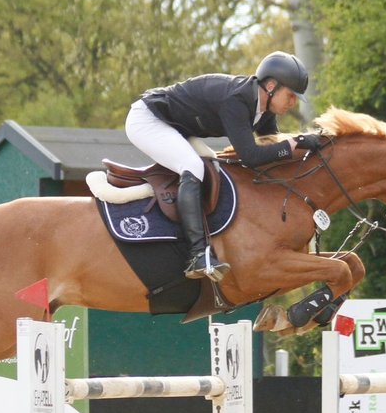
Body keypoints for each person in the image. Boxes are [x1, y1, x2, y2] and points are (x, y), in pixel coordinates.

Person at [125, 51, 325, 282]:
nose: (293, 103)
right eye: (291, 95)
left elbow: (274, 149)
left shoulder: (263, 110)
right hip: (148, 120)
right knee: (193, 167)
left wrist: (305, 145)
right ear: (271, 86)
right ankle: (198, 255)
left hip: (175, 127)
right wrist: (295, 143)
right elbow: (250, 156)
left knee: (214, 168)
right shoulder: (237, 101)